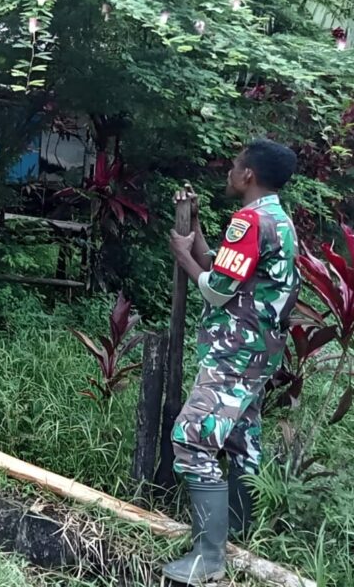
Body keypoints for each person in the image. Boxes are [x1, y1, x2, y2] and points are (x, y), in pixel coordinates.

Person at [165, 139, 300, 585]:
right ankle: (240, 531)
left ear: (248, 176)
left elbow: (215, 288)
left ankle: (209, 556)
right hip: (261, 348)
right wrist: (198, 230)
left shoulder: (250, 221)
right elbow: (223, 269)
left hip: (237, 350)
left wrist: (181, 254)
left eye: (234, 166)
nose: (229, 172)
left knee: (192, 436)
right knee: (242, 437)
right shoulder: (277, 219)